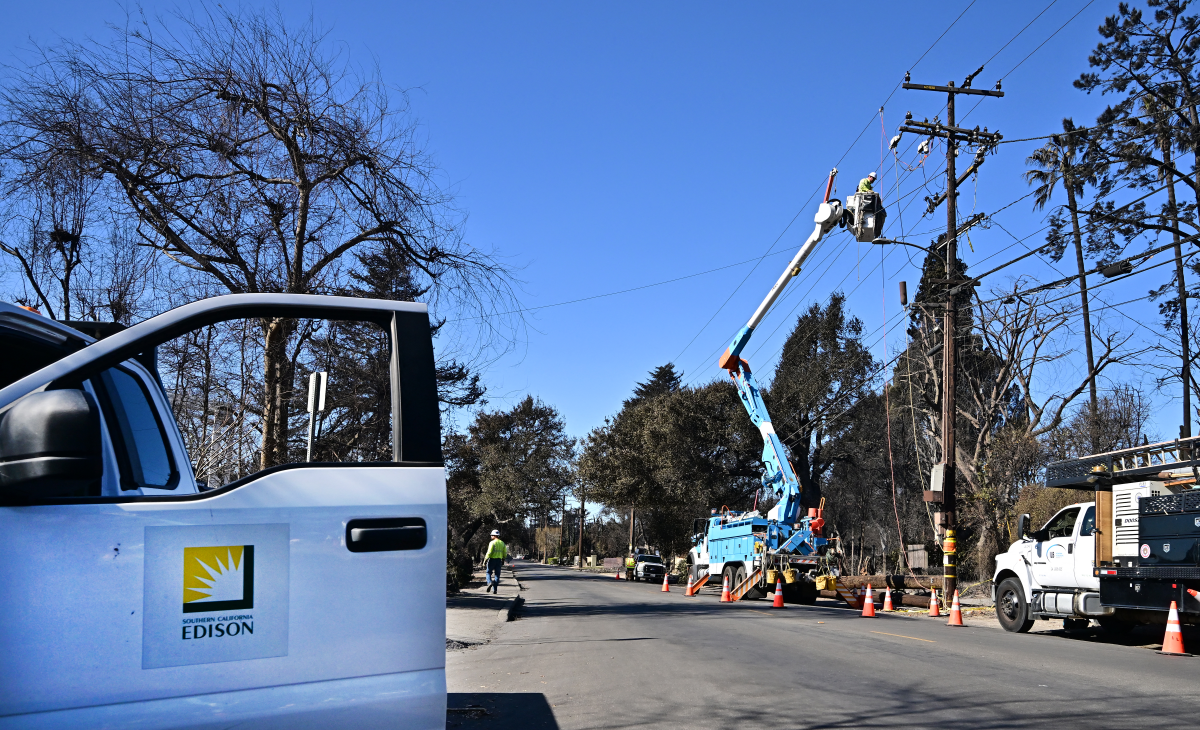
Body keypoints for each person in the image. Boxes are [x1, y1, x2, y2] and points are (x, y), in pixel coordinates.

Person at [484, 530, 507, 594]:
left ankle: (489, 583)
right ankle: (495, 590)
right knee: (497, 575)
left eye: (491, 535)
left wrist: (485, 560)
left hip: (492, 560)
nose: (491, 536)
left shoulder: (492, 543)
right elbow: (505, 552)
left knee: (488, 572)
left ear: (494, 536)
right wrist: (503, 559)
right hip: (499, 560)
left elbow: (489, 552)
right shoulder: (502, 543)